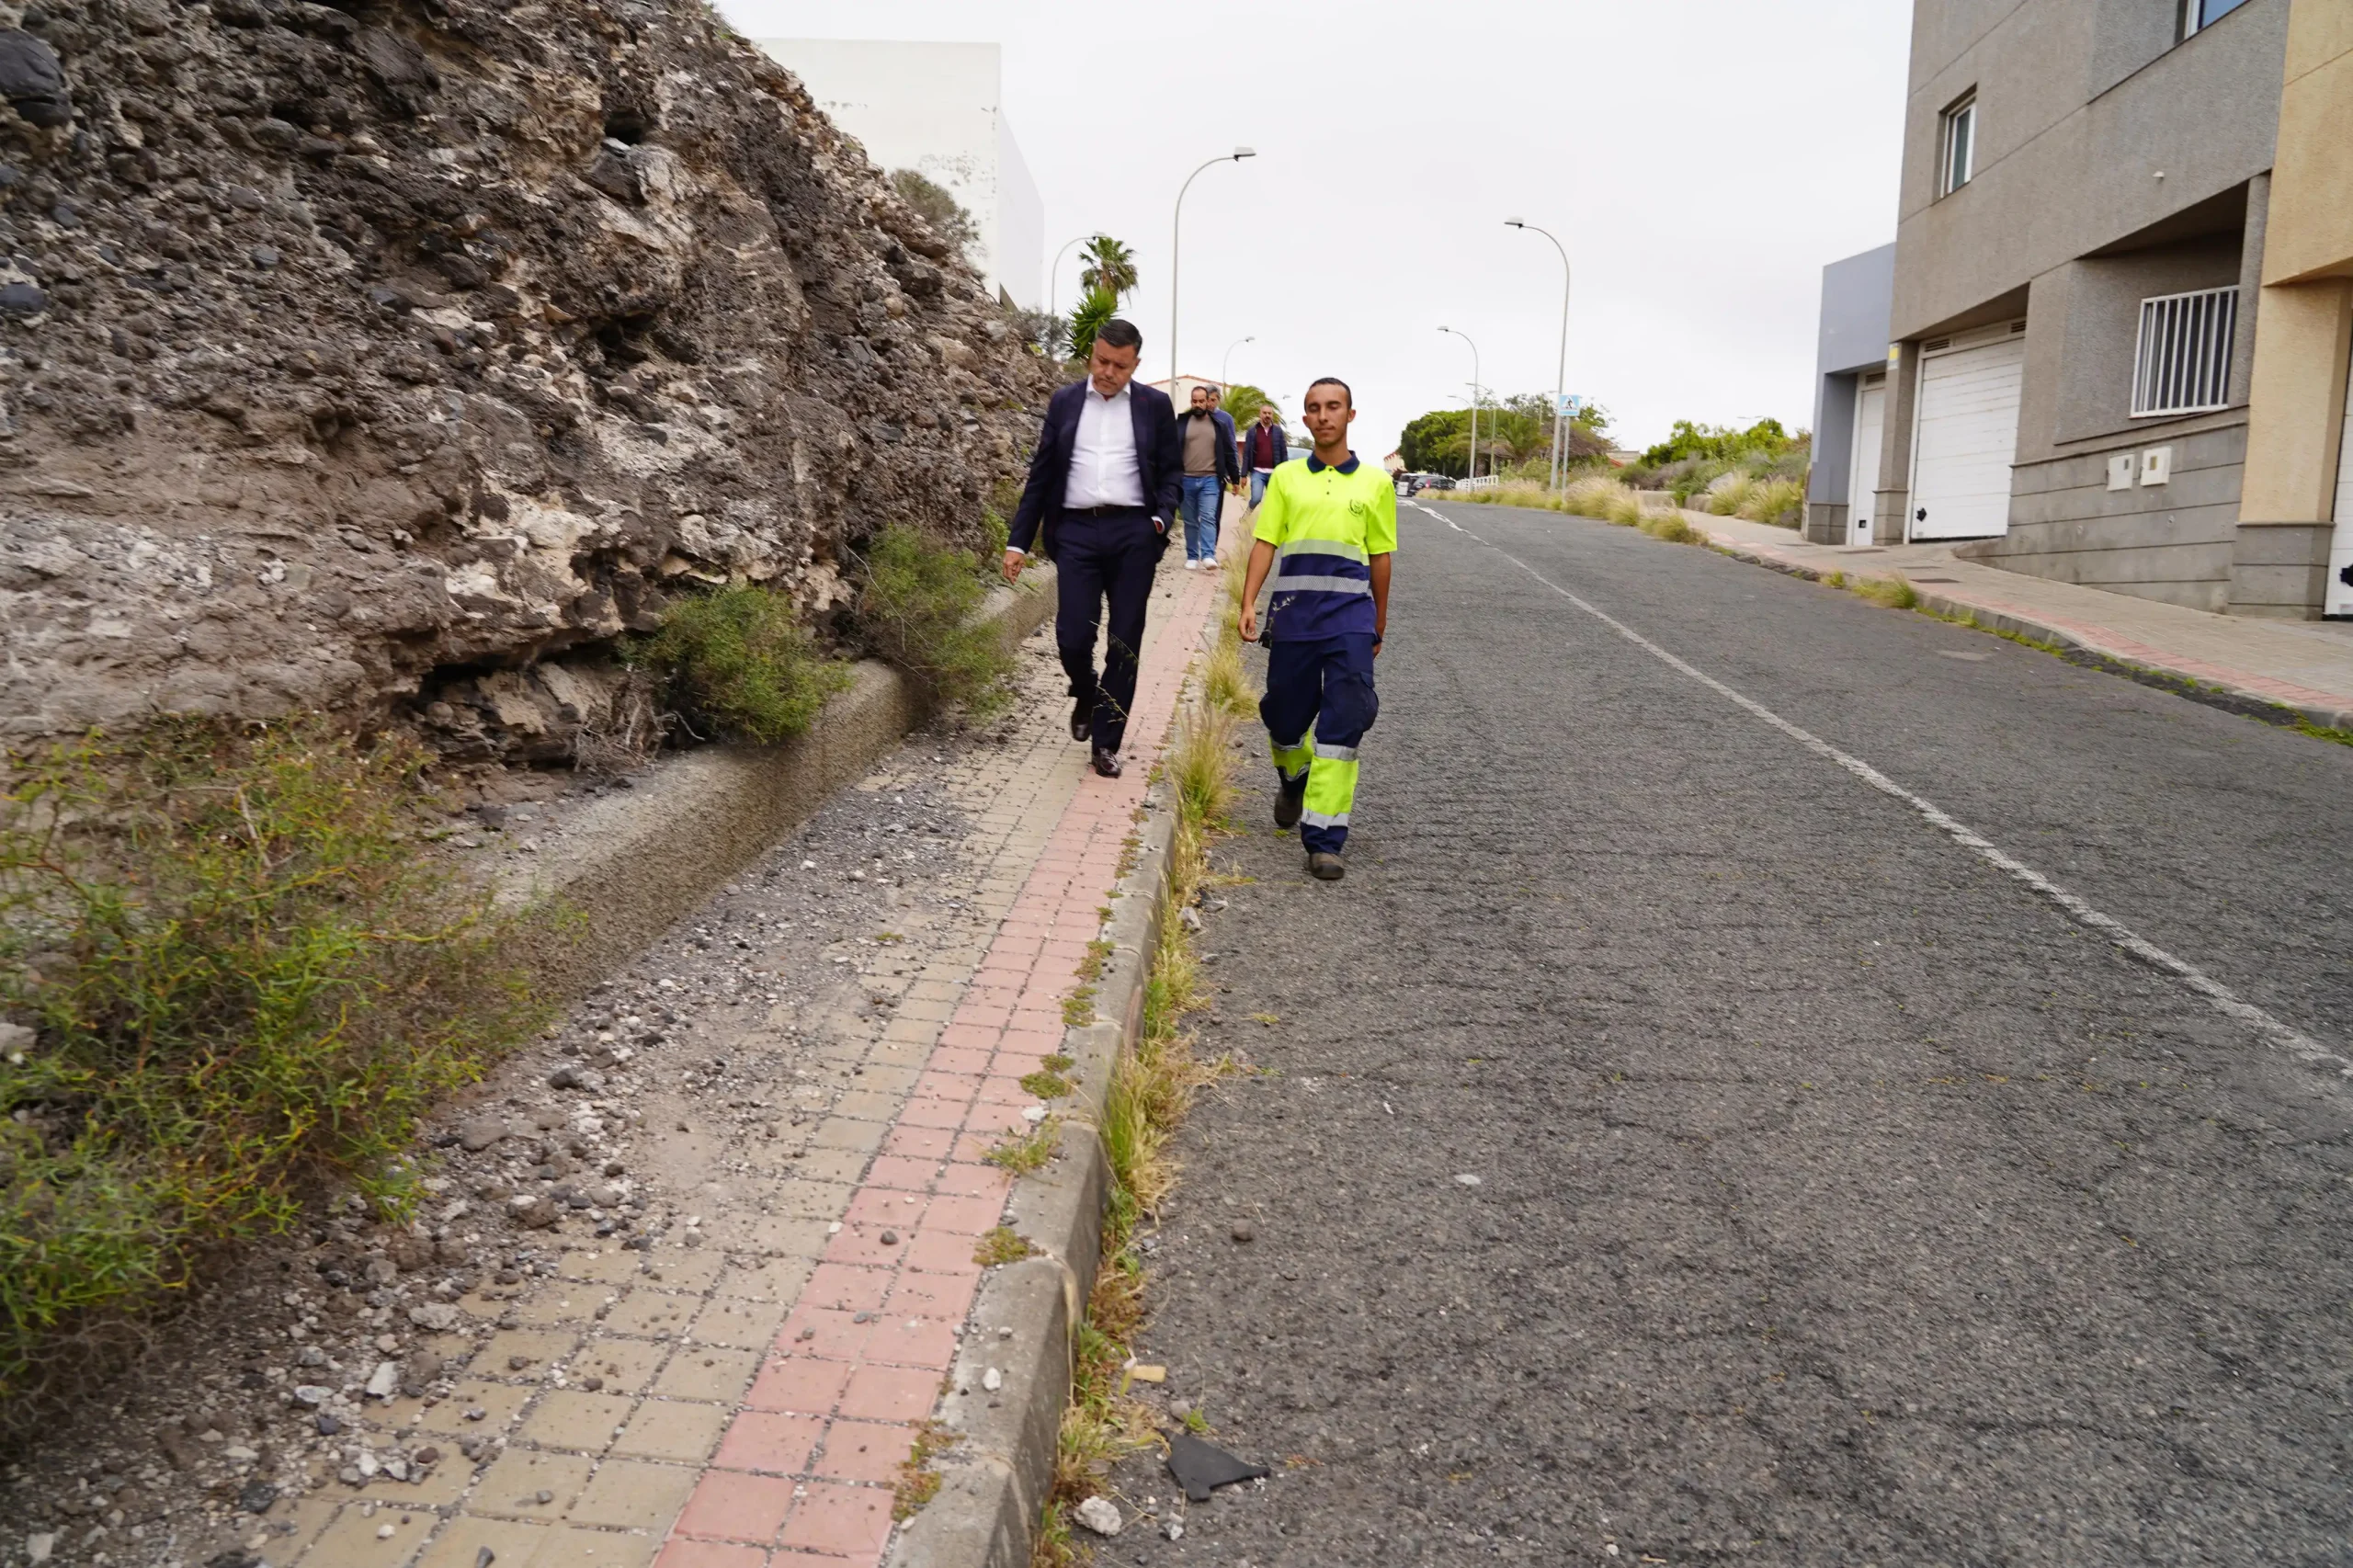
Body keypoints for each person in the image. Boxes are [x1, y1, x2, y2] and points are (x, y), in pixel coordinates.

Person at [1004, 319, 1182, 779]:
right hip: (1077, 533)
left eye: (1119, 366)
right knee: (1072, 637)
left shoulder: (1154, 405)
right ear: (1091, 355)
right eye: (1102, 361)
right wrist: (1018, 541)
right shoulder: (1064, 402)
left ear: (1135, 365)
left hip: (1133, 535)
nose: (1108, 371)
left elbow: (1171, 473)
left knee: (1125, 641)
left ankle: (1106, 742)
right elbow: (1041, 476)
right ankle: (1085, 689)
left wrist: (1159, 520)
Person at [1235, 377, 1394, 881]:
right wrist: (1248, 603)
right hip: (1293, 618)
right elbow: (1265, 543)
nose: (1323, 415)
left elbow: (1380, 555)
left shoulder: (1375, 483)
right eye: (1313, 409)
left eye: (1333, 407)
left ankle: (1325, 838)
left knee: (1344, 721)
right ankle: (1293, 774)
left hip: (1349, 618)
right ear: (1304, 420)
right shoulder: (1284, 478)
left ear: (1350, 414)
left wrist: (1379, 618)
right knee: (1283, 716)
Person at [1175, 382, 1244, 571]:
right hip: (1186, 479)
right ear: (1191, 402)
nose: (1198, 404)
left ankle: (1208, 555)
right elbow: (1171, 450)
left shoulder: (1218, 425)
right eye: (1194, 401)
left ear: (1207, 402)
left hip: (1211, 480)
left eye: (1201, 401)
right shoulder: (1181, 422)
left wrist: (1235, 479)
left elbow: (1230, 452)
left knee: (1208, 517)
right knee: (1189, 520)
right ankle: (1191, 555)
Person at [1239, 400, 1288, 508]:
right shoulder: (1252, 431)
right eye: (1264, 413)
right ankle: (1246, 517)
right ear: (1260, 414)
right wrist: (1243, 475)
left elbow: (1283, 453)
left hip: (1274, 473)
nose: (1267, 415)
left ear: (1272, 415)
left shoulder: (1278, 431)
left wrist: (1285, 472)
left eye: (1269, 413)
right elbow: (1247, 453)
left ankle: (1270, 523)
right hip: (1257, 472)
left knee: (1274, 502)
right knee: (1256, 498)